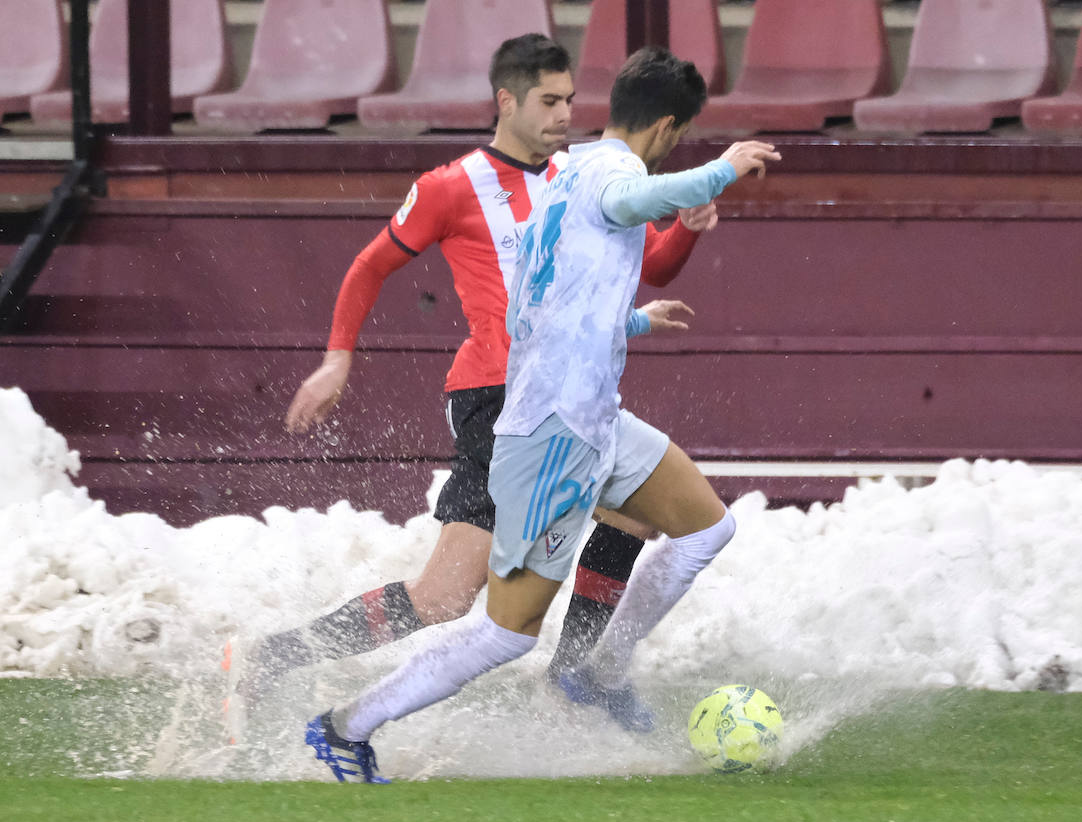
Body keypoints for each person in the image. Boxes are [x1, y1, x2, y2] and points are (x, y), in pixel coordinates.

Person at [305, 46, 778, 783]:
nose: (561, 113)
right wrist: (724, 167)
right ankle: (345, 726)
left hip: (594, 418)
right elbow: (630, 206)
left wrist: (638, 324)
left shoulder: (566, 171)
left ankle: (598, 670)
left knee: (706, 527)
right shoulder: (612, 177)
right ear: (666, 129)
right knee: (503, 633)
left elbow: (552, 297)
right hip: (551, 433)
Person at [224, 35, 717, 739]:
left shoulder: (575, 177)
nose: (563, 114)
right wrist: (337, 358)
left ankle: (578, 672)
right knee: (447, 596)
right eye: (549, 101)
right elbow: (368, 267)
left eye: (571, 99)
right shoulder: (451, 186)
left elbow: (646, 269)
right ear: (506, 101)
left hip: (557, 395)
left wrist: (687, 233)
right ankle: (283, 665)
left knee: (631, 517)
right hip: (498, 397)